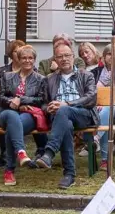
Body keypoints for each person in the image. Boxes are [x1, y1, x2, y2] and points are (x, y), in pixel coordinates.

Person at [29, 42, 99, 189]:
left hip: (83, 114)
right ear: (55, 59)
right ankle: (69, 175)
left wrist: (66, 104)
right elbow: (42, 103)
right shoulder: (49, 79)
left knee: (63, 111)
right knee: (65, 123)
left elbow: (91, 98)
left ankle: (49, 152)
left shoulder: (86, 75)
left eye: (67, 55)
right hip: (59, 118)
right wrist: (49, 108)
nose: (64, 59)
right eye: (60, 56)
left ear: (73, 57)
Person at [0, 44, 48, 184]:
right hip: (6, 113)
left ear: (34, 60)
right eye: (24, 58)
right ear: (18, 59)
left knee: (12, 130)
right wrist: (11, 102)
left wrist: (21, 100)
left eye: (30, 58)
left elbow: (42, 100)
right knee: (12, 117)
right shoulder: (7, 77)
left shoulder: (40, 79)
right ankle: (21, 152)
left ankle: (9, 170)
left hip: (29, 115)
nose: (27, 61)